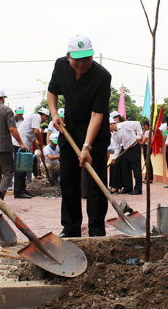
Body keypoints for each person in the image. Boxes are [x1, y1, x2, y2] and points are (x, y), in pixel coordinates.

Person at [47, 34, 111, 237]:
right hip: (69, 129)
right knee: (68, 181)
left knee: (95, 184)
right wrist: (54, 113)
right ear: (68, 56)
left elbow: (97, 114)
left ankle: (97, 230)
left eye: (87, 58)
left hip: (95, 134)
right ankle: (71, 228)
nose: (83, 63)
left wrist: (87, 147)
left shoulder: (102, 77)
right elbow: (51, 92)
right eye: (78, 58)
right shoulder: (60, 67)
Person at [15, 108, 49, 198]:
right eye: (47, 118)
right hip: (20, 144)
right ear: (44, 116)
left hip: (23, 145)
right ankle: (18, 191)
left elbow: (34, 139)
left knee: (24, 169)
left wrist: (40, 151)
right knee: (21, 169)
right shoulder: (36, 117)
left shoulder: (33, 119)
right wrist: (41, 142)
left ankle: (22, 189)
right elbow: (36, 132)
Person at [110, 114, 143, 195]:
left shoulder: (124, 125)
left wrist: (139, 136)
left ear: (111, 124)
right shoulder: (114, 134)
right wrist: (115, 158)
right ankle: (128, 188)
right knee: (125, 169)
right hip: (125, 150)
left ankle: (138, 189)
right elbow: (117, 148)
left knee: (136, 169)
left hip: (134, 148)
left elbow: (137, 123)